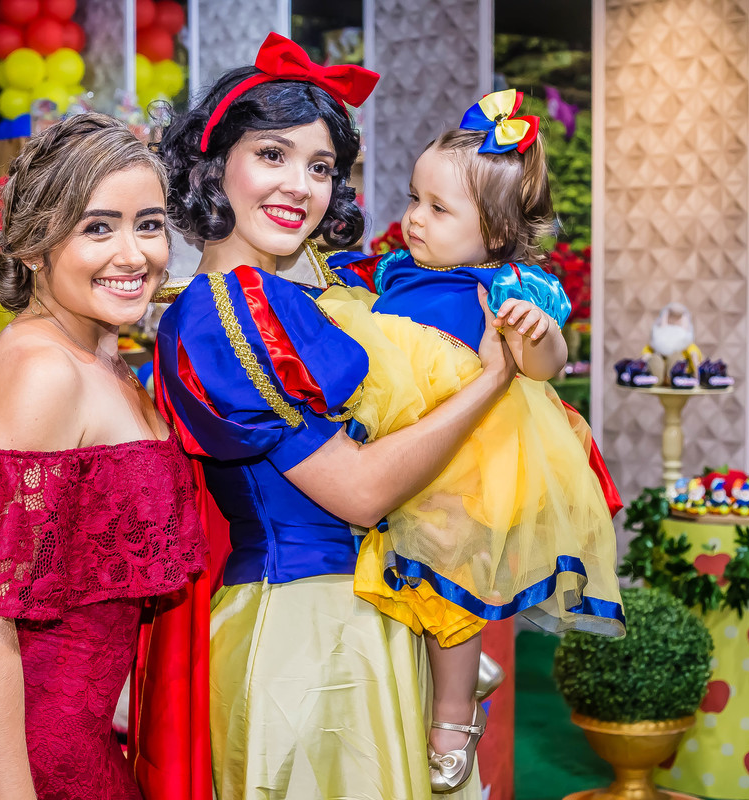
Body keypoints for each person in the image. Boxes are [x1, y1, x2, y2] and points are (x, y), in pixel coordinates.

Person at [144, 33, 516, 800]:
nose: (300, 185)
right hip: (306, 640)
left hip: (374, 617)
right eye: (272, 155)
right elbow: (362, 493)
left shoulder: (316, 290)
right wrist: (492, 382)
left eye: (320, 166)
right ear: (215, 162)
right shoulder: (222, 316)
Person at [315, 89, 624, 789]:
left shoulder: (510, 285)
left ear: (494, 231)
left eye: (438, 208)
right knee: (407, 561)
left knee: (452, 566)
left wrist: (537, 335)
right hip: (407, 434)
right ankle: (456, 661)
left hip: (473, 451)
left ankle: (454, 713)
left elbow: (544, 366)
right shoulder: (400, 271)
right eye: (414, 199)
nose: (414, 218)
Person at [0, 113, 205, 800]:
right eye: (98, 228)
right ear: (35, 246)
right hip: (11, 758)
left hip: (74, 736)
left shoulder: (99, 353)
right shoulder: (43, 372)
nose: (134, 254)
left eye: (148, 224)